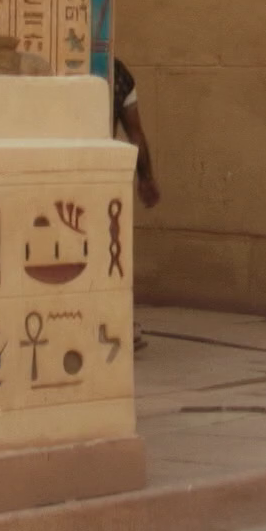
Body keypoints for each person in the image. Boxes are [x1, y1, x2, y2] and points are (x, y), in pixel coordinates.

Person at [112, 59, 160, 349]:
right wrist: (146, 177)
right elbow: (135, 132)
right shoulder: (118, 73)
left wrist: (146, 177)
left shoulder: (118, 74)